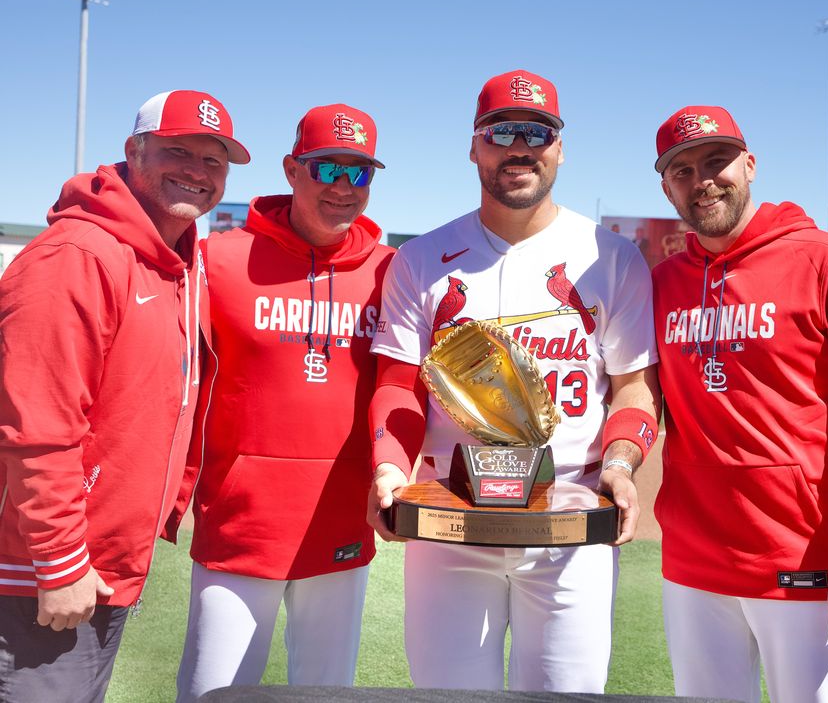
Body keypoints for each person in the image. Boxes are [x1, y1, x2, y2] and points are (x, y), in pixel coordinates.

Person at [366, 69, 660, 692]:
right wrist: (390, 466)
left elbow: (634, 388)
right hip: (450, 518)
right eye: (501, 133)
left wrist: (621, 465)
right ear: (475, 146)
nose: (519, 147)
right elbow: (396, 385)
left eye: (538, 132)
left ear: (559, 147)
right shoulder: (421, 258)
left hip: (570, 517)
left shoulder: (610, 256)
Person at [0, 89, 248, 703]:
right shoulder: (77, 256)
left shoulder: (174, 263)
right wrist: (58, 561)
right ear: (134, 151)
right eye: (177, 151)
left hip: (101, 561)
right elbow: (37, 428)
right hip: (38, 571)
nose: (197, 170)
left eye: (213, 161)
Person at [176, 104, 395, 701]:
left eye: (360, 173)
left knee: (327, 695)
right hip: (239, 527)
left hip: (342, 525)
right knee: (210, 693)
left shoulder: (390, 273)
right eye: (328, 168)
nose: (343, 188)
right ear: (292, 170)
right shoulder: (217, 260)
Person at [652, 105, 828, 703]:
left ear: (750, 164)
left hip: (806, 559)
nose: (702, 180)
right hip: (693, 561)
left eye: (717, 161)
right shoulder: (664, 283)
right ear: (665, 186)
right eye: (682, 170)